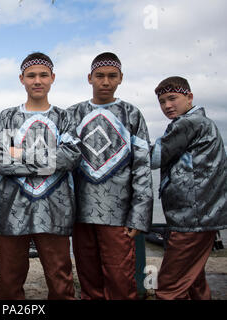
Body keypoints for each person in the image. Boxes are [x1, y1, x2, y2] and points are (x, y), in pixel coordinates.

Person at [0, 52, 82, 300]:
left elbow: (70, 158)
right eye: (31, 75)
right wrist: (50, 160)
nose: (37, 80)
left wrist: (19, 153)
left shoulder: (65, 117)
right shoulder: (6, 116)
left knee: (60, 280)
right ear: (22, 79)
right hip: (12, 211)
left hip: (55, 210)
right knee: (9, 281)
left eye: (43, 75)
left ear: (53, 78)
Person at [67, 52, 153, 300]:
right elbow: (64, 159)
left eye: (112, 76)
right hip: (80, 213)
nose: (105, 82)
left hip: (118, 213)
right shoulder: (74, 113)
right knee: (88, 276)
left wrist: (139, 215)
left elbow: (142, 166)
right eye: (100, 76)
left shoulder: (131, 113)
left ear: (121, 78)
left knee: (120, 278)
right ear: (89, 78)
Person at [151, 76, 226, 300]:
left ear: (189, 96)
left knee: (168, 287)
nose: (167, 106)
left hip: (191, 219)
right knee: (193, 280)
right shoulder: (204, 124)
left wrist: (122, 144)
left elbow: (155, 157)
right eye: (162, 101)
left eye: (172, 98)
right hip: (203, 216)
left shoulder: (190, 123)